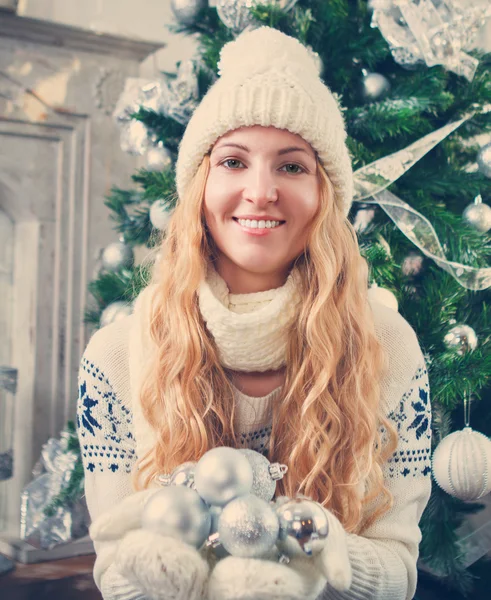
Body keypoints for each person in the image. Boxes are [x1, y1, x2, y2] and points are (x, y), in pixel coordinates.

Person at [77, 26, 432, 600]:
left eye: (291, 167)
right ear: (200, 185)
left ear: (325, 196)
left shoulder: (386, 343)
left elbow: (400, 572)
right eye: (234, 162)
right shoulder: (117, 355)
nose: (261, 191)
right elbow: (116, 569)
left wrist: (319, 554)